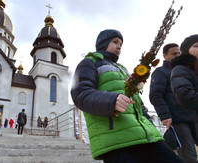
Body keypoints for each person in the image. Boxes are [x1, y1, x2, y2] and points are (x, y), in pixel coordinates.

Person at [71, 29, 182, 162]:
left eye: (121, 44)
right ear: (103, 43)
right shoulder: (89, 63)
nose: (119, 46)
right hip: (117, 140)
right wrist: (112, 101)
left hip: (146, 137)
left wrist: (150, 126)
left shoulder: (122, 69)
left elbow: (137, 103)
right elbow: (80, 93)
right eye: (115, 42)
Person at [149, 43, 196, 159]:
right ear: (164, 56)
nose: (177, 55)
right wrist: (165, 115)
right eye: (173, 53)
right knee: (189, 155)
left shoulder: (187, 70)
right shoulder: (160, 72)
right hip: (177, 120)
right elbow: (156, 95)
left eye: (179, 53)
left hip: (193, 117)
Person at [170, 34, 198, 163]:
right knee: (189, 155)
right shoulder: (180, 69)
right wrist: (166, 115)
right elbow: (185, 95)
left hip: (190, 116)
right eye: (196, 46)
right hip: (180, 117)